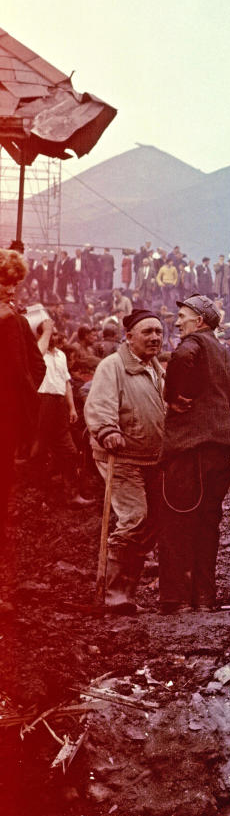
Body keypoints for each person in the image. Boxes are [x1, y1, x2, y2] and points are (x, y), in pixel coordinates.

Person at [159, 295, 230, 611]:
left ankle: (177, 599)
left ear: (200, 321)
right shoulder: (228, 359)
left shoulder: (193, 346)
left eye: (183, 316)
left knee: (178, 523)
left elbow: (182, 358)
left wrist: (172, 395)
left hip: (188, 453)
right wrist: (222, 427)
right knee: (207, 526)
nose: (177, 322)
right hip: (218, 457)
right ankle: (204, 599)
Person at [83, 310, 166, 614]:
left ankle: (127, 593)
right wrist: (107, 430)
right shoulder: (113, 366)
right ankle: (113, 594)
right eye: (147, 332)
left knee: (150, 523)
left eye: (159, 331)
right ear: (129, 337)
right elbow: (100, 403)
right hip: (121, 457)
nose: (155, 337)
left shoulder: (154, 368)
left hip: (150, 459)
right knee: (134, 518)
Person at [0, 251, 45, 603]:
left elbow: (32, 366)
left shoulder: (14, 319)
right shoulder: (11, 320)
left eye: (14, 284)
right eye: (5, 283)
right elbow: (28, 369)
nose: (11, 291)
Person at [31, 319, 89, 504]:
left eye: (56, 333)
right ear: (41, 335)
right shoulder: (36, 352)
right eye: (50, 333)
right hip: (41, 402)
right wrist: (45, 333)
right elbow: (37, 355)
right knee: (39, 450)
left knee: (69, 451)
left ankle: (72, 494)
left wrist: (71, 408)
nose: (54, 337)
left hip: (59, 404)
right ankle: (38, 496)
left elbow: (66, 383)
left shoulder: (61, 356)